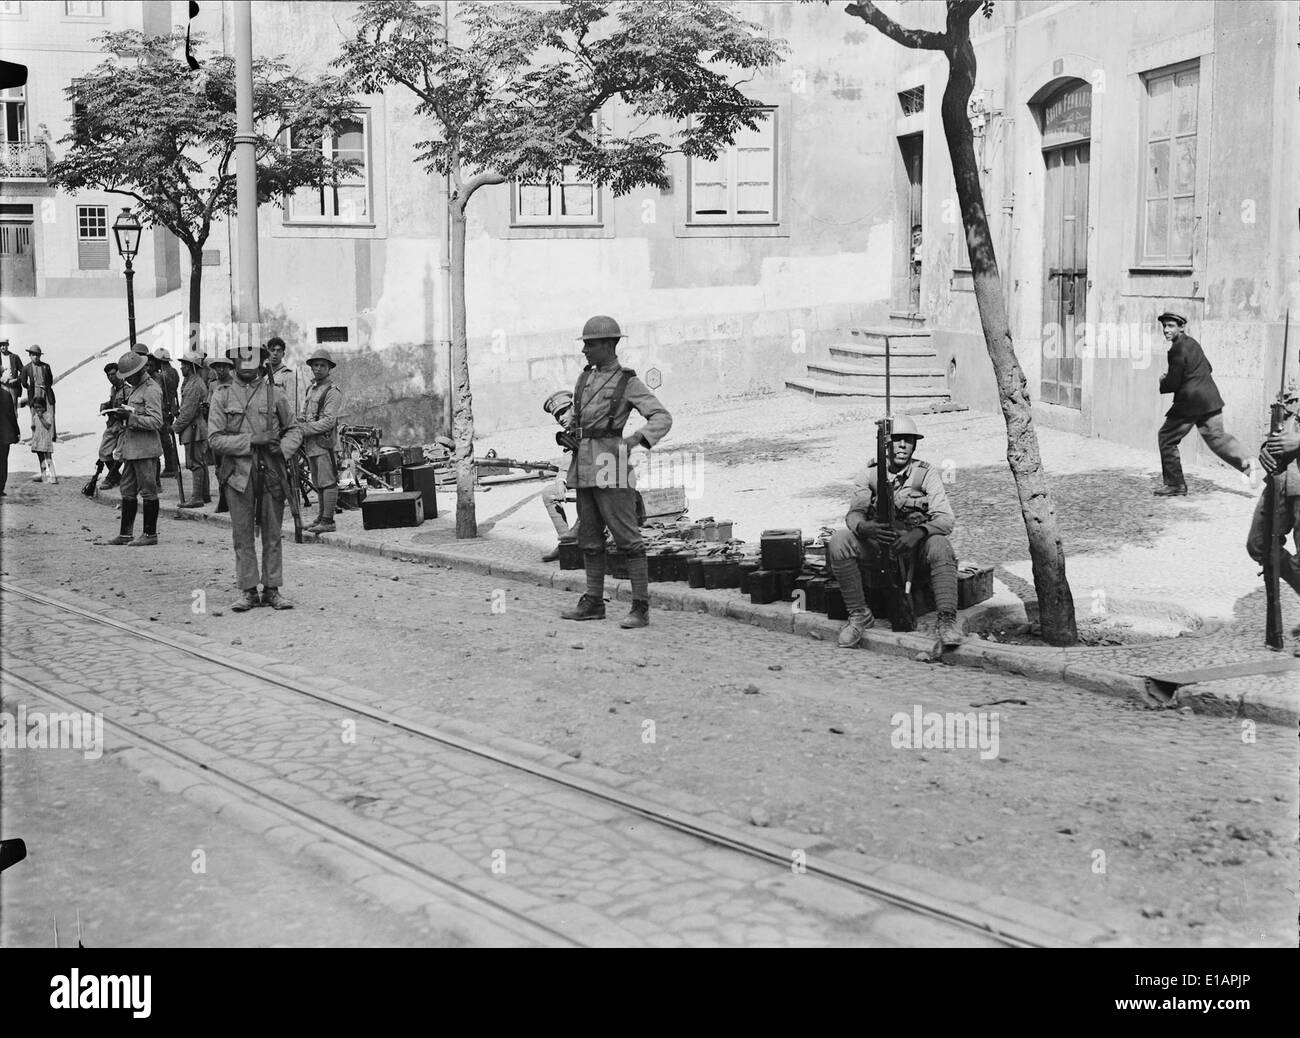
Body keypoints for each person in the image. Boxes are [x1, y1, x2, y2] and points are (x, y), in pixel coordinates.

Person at [559, 315, 672, 629]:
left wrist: (635, 440)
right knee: (589, 538)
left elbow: (662, 418)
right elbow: (577, 417)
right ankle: (594, 601)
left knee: (628, 539)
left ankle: (640, 607)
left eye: (591, 344)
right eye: (584, 344)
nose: (585, 350)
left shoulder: (628, 382)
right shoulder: (583, 380)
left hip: (611, 463)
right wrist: (571, 427)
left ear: (609, 345)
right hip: (583, 464)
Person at [827, 414, 964, 648]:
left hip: (914, 553)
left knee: (940, 544)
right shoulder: (870, 473)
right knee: (839, 540)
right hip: (878, 550)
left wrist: (919, 532)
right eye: (897, 439)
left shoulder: (925, 473)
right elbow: (854, 513)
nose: (903, 445)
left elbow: (946, 519)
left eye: (908, 440)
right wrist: (864, 527)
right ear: (886, 443)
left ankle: (947, 619)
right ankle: (859, 615)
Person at [207, 344, 302, 612]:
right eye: (242, 360)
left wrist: (282, 448)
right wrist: (253, 440)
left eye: (253, 360)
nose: (247, 365)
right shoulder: (222, 395)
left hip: (271, 471)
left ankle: (272, 589)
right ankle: (248, 591)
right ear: (234, 363)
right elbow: (214, 439)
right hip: (237, 474)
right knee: (242, 535)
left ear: (261, 363)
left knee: (273, 533)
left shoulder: (276, 393)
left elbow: (294, 430)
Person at [1155, 312, 1254, 496]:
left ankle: (1175, 485)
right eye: (1164, 326)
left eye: (1171, 326)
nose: (1166, 330)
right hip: (1210, 399)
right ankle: (1250, 465)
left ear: (1181, 327)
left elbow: (1174, 382)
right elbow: (1208, 367)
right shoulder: (1193, 343)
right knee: (1217, 438)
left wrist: (1163, 380)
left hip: (1190, 402)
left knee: (1166, 438)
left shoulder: (1176, 349)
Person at [103, 349, 163, 546]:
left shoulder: (151, 389)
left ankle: (150, 534)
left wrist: (131, 417)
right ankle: (126, 533)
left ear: (139, 371)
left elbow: (156, 421)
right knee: (127, 490)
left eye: (130, 376)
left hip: (145, 449)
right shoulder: (137, 388)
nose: (127, 380)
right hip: (132, 448)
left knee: (148, 491)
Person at [1248, 378, 1300, 607]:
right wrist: (1266, 451)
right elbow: (1276, 432)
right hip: (1281, 480)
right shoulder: (1291, 386)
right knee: (1259, 543)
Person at [297, 348, 342, 534]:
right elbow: (304, 414)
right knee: (317, 481)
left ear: (329, 368)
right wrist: (296, 423)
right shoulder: (310, 389)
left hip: (325, 444)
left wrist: (305, 429)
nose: (318, 368)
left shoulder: (333, 392)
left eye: (322, 365)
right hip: (311, 444)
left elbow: (329, 420)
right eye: (315, 365)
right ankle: (320, 518)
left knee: (328, 481)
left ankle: (328, 521)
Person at [175, 349, 212, 508]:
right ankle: (204, 495)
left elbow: (188, 412)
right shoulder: (191, 382)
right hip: (195, 427)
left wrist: (175, 427)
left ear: (191, 367)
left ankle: (197, 497)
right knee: (200, 462)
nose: (181, 367)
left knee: (195, 463)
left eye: (183, 365)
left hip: (194, 429)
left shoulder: (194, 384)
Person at [19, 345, 57, 484]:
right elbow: (23, 381)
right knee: (35, 416)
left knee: (49, 414)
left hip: (45, 392)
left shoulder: (46, 366)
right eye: (33, 355)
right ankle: (37, 438)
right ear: (30, 355)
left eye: (38, 355)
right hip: (34, 392)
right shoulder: (27, 368)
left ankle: (50, 436)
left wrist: (45, 387)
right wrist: (30, 388)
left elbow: (50, 379)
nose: (36, 357)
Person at [207, 353, 235, 513]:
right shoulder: (212, 385)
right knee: (218, 467)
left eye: (223, 367)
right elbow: (209, 402)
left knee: (229, 465)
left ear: (229, 369)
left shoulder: (234, 385)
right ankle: (223, 498)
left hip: (229, 430)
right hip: (215, 429)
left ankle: (232, 499)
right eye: (218, 367)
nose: (220, 370)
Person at [152, 347, 182, 480]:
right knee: (167, 439)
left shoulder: (162, 376)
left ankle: (171, 467)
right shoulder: (174, 372)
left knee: (165, 440)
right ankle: (172, 466)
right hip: (171, 407)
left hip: (164, 408)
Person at [97, 362, 125, 490]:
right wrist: (106, 405)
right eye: (108, 375)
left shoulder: (127, 388)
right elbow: (113, 401)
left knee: (119, 454)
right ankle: (116, 477)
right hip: (113, 423)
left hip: (124, 425)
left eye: (113, 374)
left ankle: (110, 478)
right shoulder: (113, 389)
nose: (111, 377)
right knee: (104, 451)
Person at [0, 371, 19, 496]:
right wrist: (16, 432)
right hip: (4, 436)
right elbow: (12, 416)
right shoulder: (6, 394)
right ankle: (0, 488)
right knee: (2, 461)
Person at [0, 340, 21, 406]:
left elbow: (23, 371)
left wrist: (16, 380)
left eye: (4, 345)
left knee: (13, 408)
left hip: (13, 387)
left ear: (7, 345)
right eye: (0, 345)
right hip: (1, 386)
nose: (2, 347)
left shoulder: (14, 357)